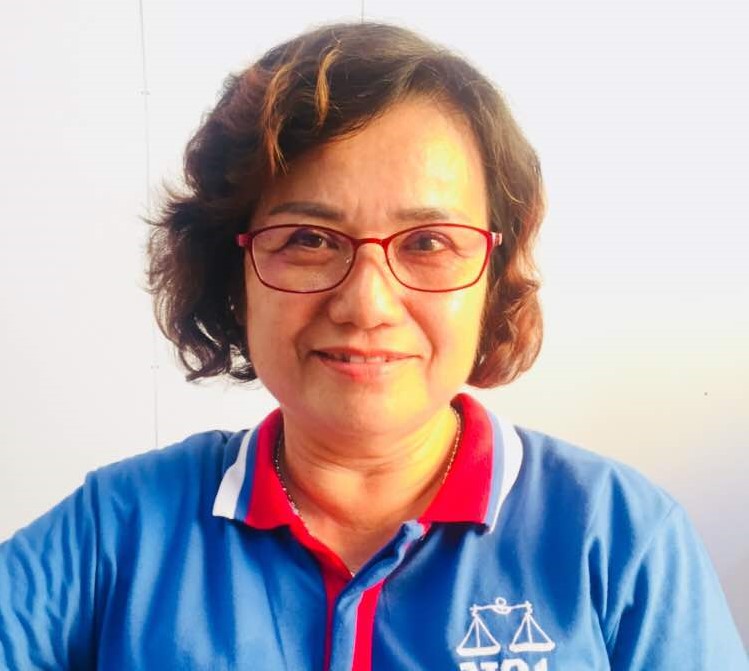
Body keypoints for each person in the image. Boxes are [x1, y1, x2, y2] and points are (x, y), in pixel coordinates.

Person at [0, 21, 745, 671]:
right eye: (308, 239)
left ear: (495, 274)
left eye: (428, 242)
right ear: (234, 275)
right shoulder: (116, 528)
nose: (366, 304)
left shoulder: (621, 539)